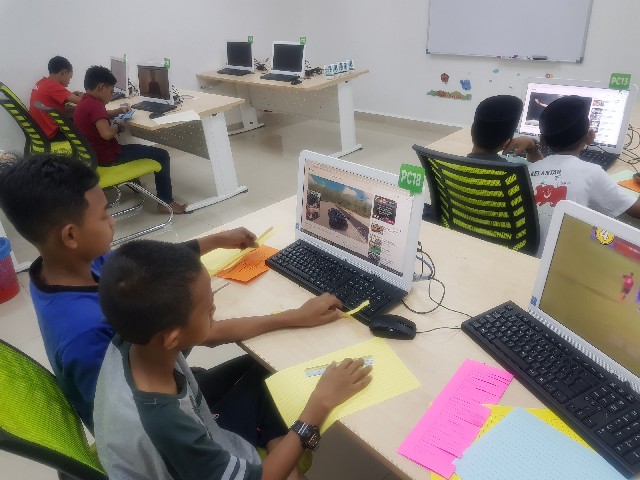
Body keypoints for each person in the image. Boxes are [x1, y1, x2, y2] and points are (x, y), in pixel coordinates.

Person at [0, 154, 345, 433]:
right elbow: (205, 336)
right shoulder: (87, 334)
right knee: (280, 377)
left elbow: (147, 266)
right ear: (71, 235)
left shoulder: (63, 266)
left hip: (176, 389)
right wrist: (294, 316)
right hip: (169, 429)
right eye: (104, 214)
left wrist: (214, 240)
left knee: (264, 370)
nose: (113, 221)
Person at [94, 239, 372, 480]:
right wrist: (318, 407)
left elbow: (213, 333)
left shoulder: (136, 334)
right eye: (208, 309)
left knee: (265, 371)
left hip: (197, 434)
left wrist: (295, 316)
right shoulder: (166, 424)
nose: (214, 309)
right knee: (295, 394)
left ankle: (281, 448)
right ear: (173, 338)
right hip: (198, 457)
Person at [529, 95, 640, 256]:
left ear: (543, 141)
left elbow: (547, 175)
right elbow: (636, 211)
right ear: (590, 136)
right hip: (563, 259)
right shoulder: (592, 173)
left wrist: (532, 149)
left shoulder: (529, 170)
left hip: (528, 256)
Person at [73, 65, 186, 214]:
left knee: (139, 148)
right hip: (109, 157)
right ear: (101, 87)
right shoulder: (95, 106)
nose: (111, 95)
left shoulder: (84, 102)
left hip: (94, 158)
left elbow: (99, 116)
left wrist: (118, 111)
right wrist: (119, 126)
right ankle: (166, 202)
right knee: (162, 155)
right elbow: (106, 134)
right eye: (111, 91)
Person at [469, 95, 544, 164]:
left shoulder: (460, 165)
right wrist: (531, 145)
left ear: (472, 131)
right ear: (506, 143)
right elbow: (541, 169)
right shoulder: (518, 166)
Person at [29, 56, 83, 140]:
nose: (69, 81)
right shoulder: (54, 86)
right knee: (87, 126)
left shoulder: (42, 82)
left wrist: (72, 95)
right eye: (70, 77)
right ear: (64, 72)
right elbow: (83, 102)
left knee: (73, 112)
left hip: (39, 131)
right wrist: (83, 96)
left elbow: (51, 100)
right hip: (53, 133)